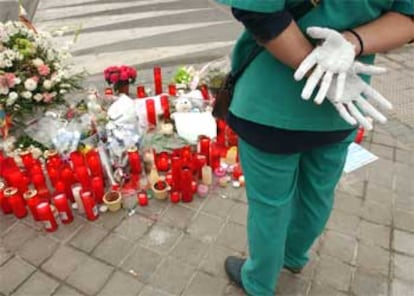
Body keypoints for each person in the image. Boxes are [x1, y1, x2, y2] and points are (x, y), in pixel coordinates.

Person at [214, 0, 414, 295]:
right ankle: (294, 256)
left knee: (270, 205)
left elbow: (258, 11)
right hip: (341, 106)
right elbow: (408, 16)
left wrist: (324, 65)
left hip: (270, 103)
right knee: (317, 191)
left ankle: (259, 282)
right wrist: (351, 42)